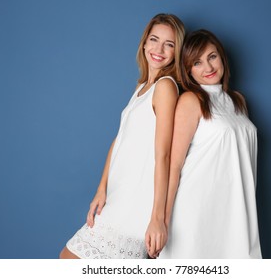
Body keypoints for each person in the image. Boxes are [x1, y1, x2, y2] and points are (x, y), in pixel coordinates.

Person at [59, 14, 185, 259]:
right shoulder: (142, 88)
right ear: (144, 43)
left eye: (169, 44)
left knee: (68, 259)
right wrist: (101, 188)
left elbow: (164, 155)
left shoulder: (166, 87)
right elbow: (120, 140)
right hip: (119, 194)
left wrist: (158, 217)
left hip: (136, 203)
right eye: (154, 40)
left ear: (177, 51)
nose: (159, 49)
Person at [159, 29, 262, 258]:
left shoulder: (238, 101)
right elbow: (173, 165)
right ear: (188, 70)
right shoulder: (191, 100)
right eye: (197, 62)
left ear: (221, 57)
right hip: (196, 212)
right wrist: (162, 220)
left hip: (236, 210)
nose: (208, 67)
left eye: (212, 57)